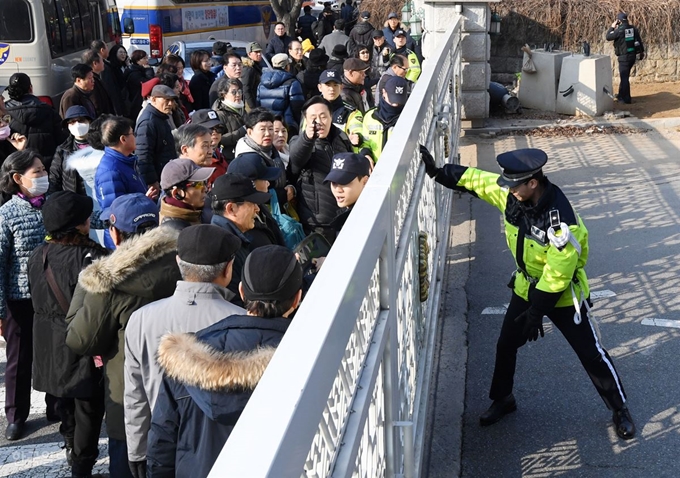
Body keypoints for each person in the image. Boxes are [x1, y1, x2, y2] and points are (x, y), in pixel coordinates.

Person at [419, 146, 636, 440]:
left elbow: (557, 276)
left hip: (561, 295)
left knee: (590, 353)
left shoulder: (560, 223)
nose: (506, 189)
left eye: (513, 185)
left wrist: (536, 313)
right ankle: (503, 399)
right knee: (506, 343)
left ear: (532, 183)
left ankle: (619, 408)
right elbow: (478, 180)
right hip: (527, 286)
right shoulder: (514, 195)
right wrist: (438, 172)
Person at [146, 245, 303, 477]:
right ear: (297, 299)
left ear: (241, 292)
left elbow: (162, 443)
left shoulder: (188, 356)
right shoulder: (305, 358)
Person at [66, 193, 182, 478]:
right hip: (183, 393)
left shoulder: (110, 282)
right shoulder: (184, 261)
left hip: (131, 400)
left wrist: (89, 279)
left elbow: (79, 338)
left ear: (115, 233)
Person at [124, 224, 244, 478]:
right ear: (228, 269)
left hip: (161, 444)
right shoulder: (241, 320)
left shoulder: (141, 319)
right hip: (222, 443)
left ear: (179, 262)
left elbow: (135, 394)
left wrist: (137, 451)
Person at [27, 191, 107, 478]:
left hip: (47, 341)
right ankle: (81, 466)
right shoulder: (92, 258)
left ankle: (71, 445)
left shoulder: (39, 254)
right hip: (79, 338)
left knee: (63, 399)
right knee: (89, 406)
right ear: (77, 224)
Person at [0, 150, 50, 440]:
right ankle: (16, 415)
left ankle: (56, 406)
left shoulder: (52, 204)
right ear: (18, 179)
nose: (43, 176)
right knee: (19, 361)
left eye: (44, 170)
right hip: (19, 300)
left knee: (55, 353)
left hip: (53, 296)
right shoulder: (6, 215)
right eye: (37, 172)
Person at [289, 96, 355, 242]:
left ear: (331, 117)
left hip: (345, 214)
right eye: (313, 117)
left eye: (323, 116)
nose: (319, 121)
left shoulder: (341, 137)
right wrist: (308, 137)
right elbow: (295, 159)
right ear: (306, 120)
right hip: (318, 222)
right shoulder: (300, 141)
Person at [210, 173, 272, 301]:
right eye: (252, 203)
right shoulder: (226, 248)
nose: (257, 209)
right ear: (231, 208)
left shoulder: (230, 238)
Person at [94, 116, 149, 249]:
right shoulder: (110, 171)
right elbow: (117, 213)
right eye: (132, 134)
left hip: (135, 234)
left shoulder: (126, 161)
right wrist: (145, 201)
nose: (135, 137)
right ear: (123, 139)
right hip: (123, 242)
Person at [234, 108, 294, 209]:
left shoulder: (271, 149)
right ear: (249, 132)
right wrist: (283, 195)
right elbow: (251, 193)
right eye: (262, 129)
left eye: (270, 129)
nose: (268, 133)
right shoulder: (246, 159)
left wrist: (290, 187)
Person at [227, 153, 286, 249]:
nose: (268, 183)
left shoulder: (261, 207)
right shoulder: (242, 223)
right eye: (264, 179)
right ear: (251, 184)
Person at [4, 73, 65, 163]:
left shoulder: (4, 112)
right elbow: (62, 140)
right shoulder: (48, 110)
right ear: (31, 88)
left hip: (14, 166)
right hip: (44, 166)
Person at [350, 76, 408, 163]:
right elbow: (365, 143)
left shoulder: (407, 117)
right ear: (384, 92)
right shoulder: (370, 116)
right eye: (393, 99)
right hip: (374, 170)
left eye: (399, 100)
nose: (395, 104)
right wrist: (366, 155)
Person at [136, 85, 179, 194]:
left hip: (167, 174)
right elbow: (143, 155)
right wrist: (151, 180)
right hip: (158, 179)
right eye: (167, 100)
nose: (170, 104)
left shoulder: (161, 117)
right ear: (154, 99)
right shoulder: (148, 122)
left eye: (172, 100)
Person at [49, 105, 95, 194]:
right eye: (72, 122)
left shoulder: (101, 146)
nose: (77, 125)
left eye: (81, 120)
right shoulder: (63, 150)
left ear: (89, 121)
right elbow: (54, 179)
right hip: (75, 200)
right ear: (68, 126)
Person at [159, 158, 214, 230]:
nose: (205, 189)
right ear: (177, 193)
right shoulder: (173, 231)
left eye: (205, 182)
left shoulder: (195, 211)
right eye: (198, 184)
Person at [257, 54, 305, 136]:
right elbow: (297, 107)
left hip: (267, 126)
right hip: (286, 126)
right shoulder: (293, 82)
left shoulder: (261, 83)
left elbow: (258, 105)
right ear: (287, 67)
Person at [323, 151, 369, 231]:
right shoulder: (346, 214)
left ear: (364, 181)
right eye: (333, 182)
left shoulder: (366, 219)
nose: (338, 189)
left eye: (345, 182)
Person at [606, 12, 644, 104]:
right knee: (624, 76)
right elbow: (639, 40)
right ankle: (621, 95)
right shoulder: (633, 28)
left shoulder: (619, 30)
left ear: (619, 21)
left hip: (624, 57)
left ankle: (626, 99)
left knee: (624, 78)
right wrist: (642, 52)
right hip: (632, 56)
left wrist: (612, 27)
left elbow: (608, 37)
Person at [190, 109, 230, 184]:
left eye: (219, 128)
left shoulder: (218, 154)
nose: (215, 132)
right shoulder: (195, 162)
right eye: (209, 129)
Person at [211, 78, 247, 163]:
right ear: (224, 94)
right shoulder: (219, 113)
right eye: (234, 92)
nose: (238, 95)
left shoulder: (241, 108)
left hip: (243, 152)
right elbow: (218, 140)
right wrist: (242, 131)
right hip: (229, 158)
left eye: (240, 91)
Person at [81, 49, 116, 116]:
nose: (103, 63)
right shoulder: (92, 82)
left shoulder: (97, 78)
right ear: (95, 63)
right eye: (102, 60)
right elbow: (97, 105)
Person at [125, 50, 155, 120]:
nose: (147, 60)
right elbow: (148, 83)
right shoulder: (134, 74)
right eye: (144, 58)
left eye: (147, 58)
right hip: (136, 103)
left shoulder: (140, 70)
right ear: (137, 61)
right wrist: (148, 70)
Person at [107, 45, 131, 117]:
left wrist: (128, 66)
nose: (123, 54)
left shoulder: (124, 65)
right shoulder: (112, 68)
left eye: (124, 52)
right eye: (120, 52)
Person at [241, 42, 265, 110]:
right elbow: (246, 90)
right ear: (249, 54)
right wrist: (253, 108)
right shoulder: (248, 69)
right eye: (256, 52)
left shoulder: (255, 66)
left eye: (260, 51)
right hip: (249, 105)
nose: (259, 54)